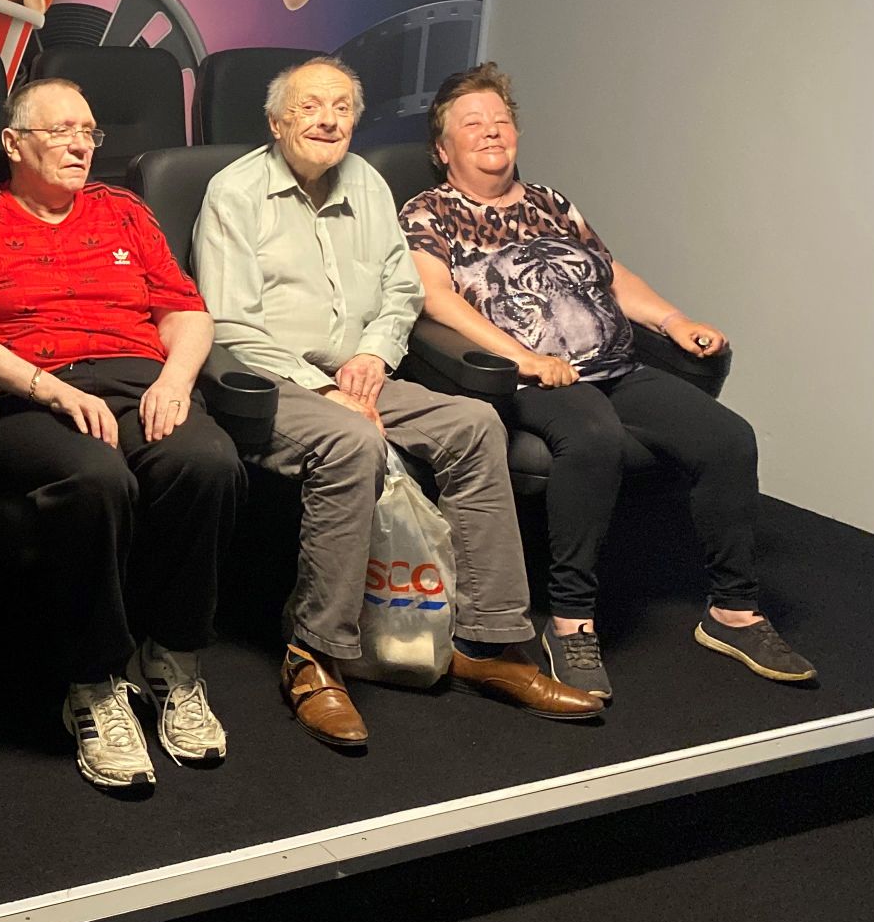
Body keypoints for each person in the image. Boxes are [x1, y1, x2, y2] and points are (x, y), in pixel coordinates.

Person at [192, 56, 602, 749]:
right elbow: (229, 325)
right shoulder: (234, 193)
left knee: (475, 423)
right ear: (276, 123)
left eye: (341, 109)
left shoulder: (368, 183)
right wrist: (326, 391)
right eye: (310, 107)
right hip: (271, 383)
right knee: (352, 440)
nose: (328, 121)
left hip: (363, 372)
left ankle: (488, 642)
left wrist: (373, 356)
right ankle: (315, 655)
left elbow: (401, 292)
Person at [400, 62, 815, 697]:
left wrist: (674, 320)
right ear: (442, 148)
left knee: (729, 438)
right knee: (592, 437)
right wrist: (523, 358)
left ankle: (733, 612)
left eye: (501, 120)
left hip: (616, 365)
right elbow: (436, 300)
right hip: (529, 380)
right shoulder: (430, 211)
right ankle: (571, 623)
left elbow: (611, 275)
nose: (491, 131)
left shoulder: (550, 202)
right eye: (472, 123)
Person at [0, 77, 245, 793]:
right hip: (31, 391)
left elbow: (187, 311)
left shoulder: (123, 210)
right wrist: (49, 388)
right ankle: (93, 682)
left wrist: (176, 381)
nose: (80, 145)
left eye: (89, 132)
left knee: (207, 461)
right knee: (96, 479)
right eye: (61, 131)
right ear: (14, 143)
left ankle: (173, 660)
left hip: (138, 378)